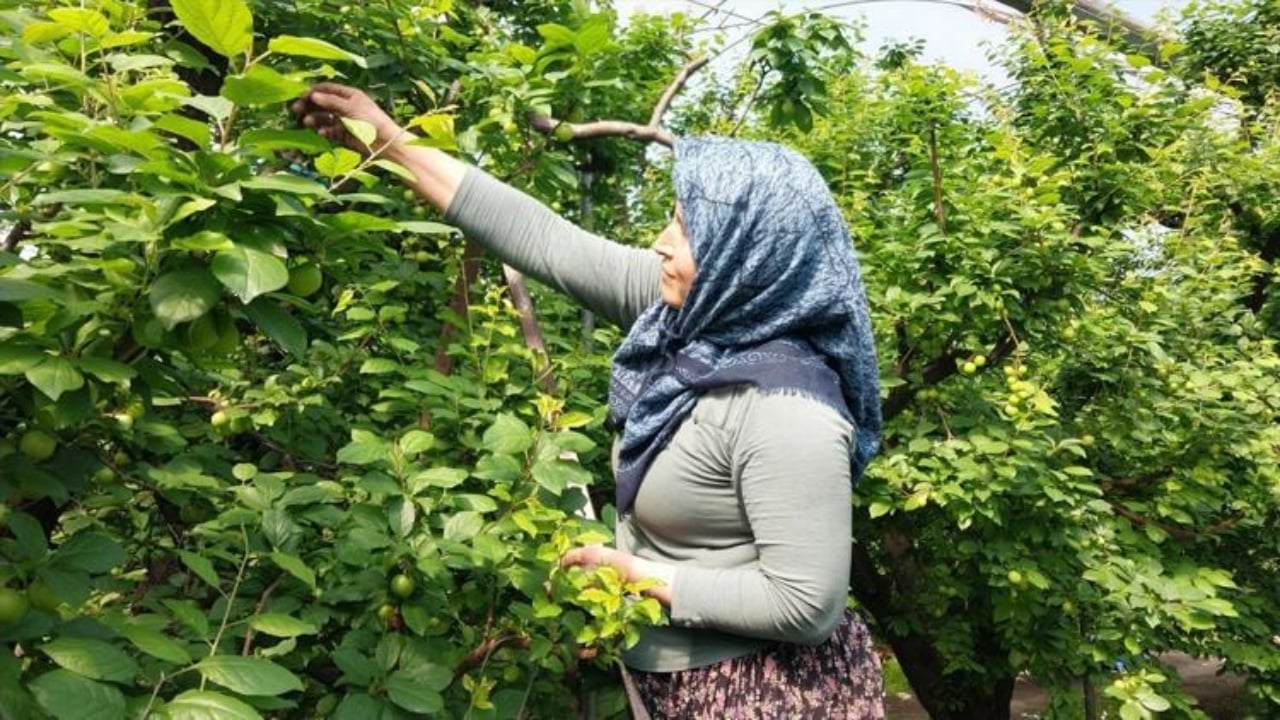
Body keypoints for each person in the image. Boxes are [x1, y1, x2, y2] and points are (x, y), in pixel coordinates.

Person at [293, 83, 885, 718]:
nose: (661, 242)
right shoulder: (695, 320)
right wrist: (391, 144)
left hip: (765, 695)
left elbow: (806, 605)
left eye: (684, 232)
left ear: (746, 258)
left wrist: (633, 575)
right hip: (673, 679)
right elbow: (547, 241)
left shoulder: (788, 409)